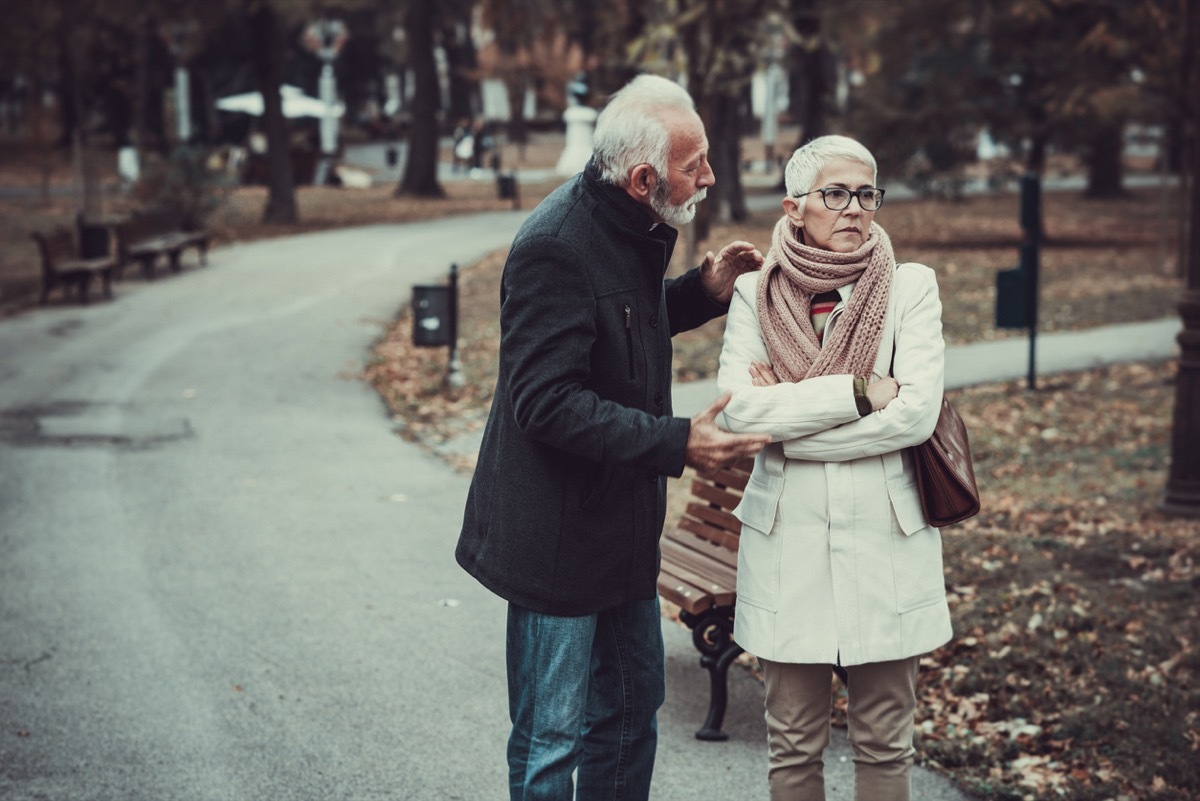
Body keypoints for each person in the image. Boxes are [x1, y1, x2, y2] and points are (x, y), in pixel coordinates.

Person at [455, 74, 770, 801]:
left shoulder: (632, 226)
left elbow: (616, 321)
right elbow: (546, 401)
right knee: (550, 741)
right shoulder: (555, 246)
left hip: (622, 532)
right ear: (642, 177)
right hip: (556, 545)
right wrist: (676, 442)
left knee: (630, 716)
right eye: (696, 165)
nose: (710, 178)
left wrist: (701, 291)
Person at [714, 134, 953, 801]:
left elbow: (916, 416)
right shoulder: (753, 294)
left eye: (866, 192)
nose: (854, 208)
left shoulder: (910, 288)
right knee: (791, 744)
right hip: (788, 541)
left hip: (885, 537)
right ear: (795, 208)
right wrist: (856, 394)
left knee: (884, 742)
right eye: (835, 193)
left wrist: (788, 426)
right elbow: (738, 414)